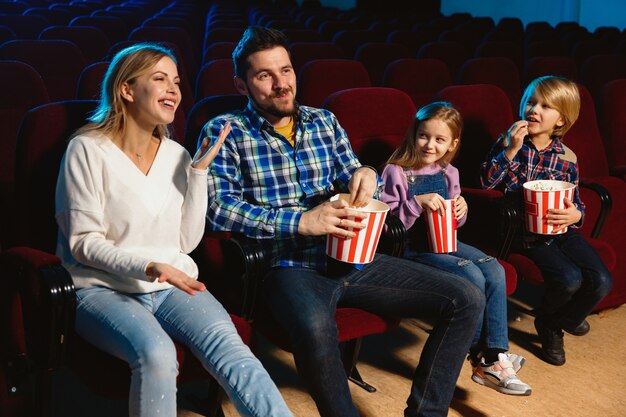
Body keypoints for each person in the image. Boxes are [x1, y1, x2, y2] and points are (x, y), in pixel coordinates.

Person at [203, 26, 485, 417]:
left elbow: (353, 168)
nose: (280, 84)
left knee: (467, 297)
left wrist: (366, 172)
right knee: (317, 329)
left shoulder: (324, 121)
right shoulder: (225, 131)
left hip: (352, 253)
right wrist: (301, 222)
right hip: (288, 266)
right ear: (241, 83)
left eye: (285, 71)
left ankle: (426, 413)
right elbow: (219, 208)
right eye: (264, 75)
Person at [55, 43, 294, 417]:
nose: (173, 90)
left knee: (232, 349)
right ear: (127, 89)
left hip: (171, 284)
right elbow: (83, 243)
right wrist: (150, 266)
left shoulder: (177, 154)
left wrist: (198, 175)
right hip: (100, 288)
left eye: (177, 81)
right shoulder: (86, 149)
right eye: (160, 79)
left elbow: (184, 241)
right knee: (158, 354)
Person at [380, 102, 532, 396]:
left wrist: (461, 210)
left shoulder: (449, 172)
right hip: (411, 247)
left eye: (439, 140)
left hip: (444, 241)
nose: (430, 145)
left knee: (494, 269)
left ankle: (495, 354)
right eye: (424, 136)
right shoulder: (396, 171)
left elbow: (455, 223)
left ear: (453, 143)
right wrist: (416, 203)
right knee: (473, 276)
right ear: (414, 134)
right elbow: (389, 227)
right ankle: (480, 356)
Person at [480, 76, 612, 366]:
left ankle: (560, 318)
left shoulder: (567, 158)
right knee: (568, 278)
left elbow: (576, 200)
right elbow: (487, 183)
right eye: (530, 102)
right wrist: (511, 150)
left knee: (602, 281)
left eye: (545, 106)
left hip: (561, 230)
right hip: (525, 233)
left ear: (561, 120)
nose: (534, 110)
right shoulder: (508, 143)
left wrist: (577, 214)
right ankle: (550, 327)